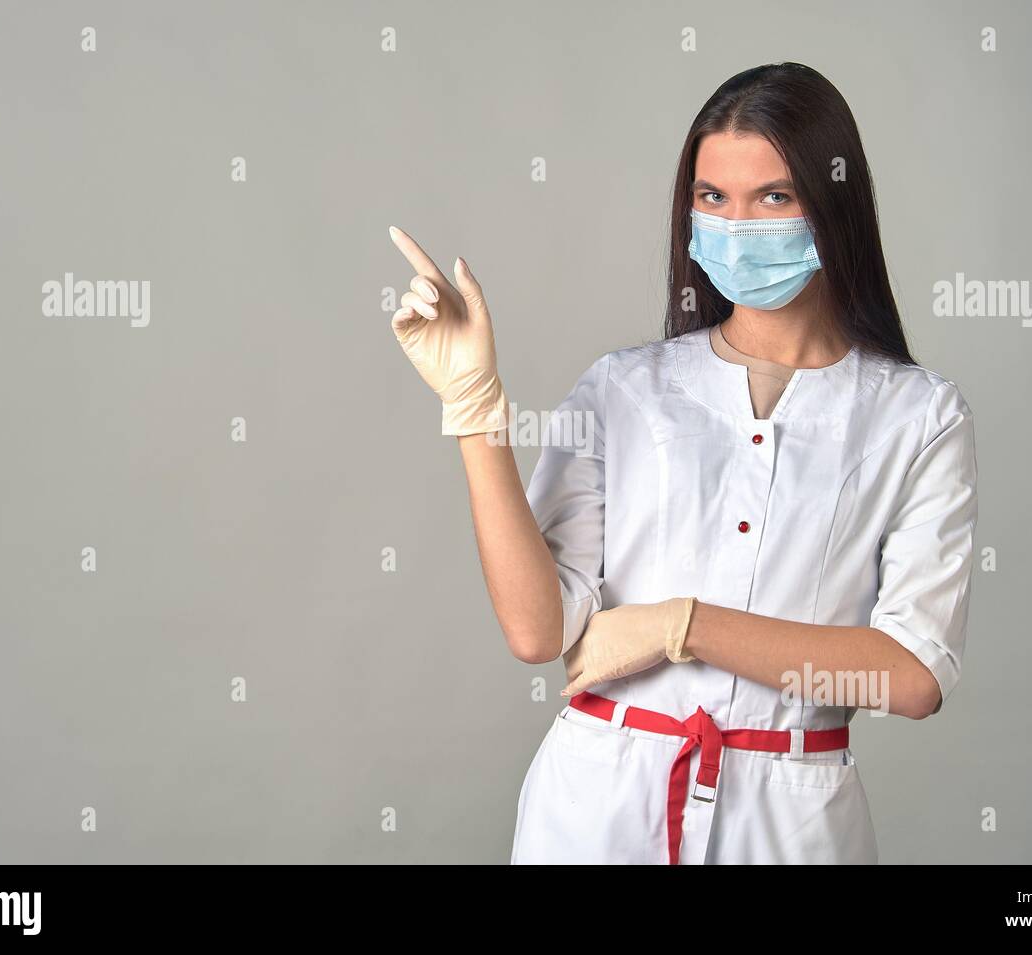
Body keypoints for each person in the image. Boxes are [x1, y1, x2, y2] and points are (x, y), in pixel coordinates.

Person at [387, 62, 978, 865]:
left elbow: (910, 677)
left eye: (774, 196)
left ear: (832, 204)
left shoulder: (918, 415)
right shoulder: (626, 388)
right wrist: (475, 406)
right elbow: (536, 629)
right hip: (595, 808)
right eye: (713, 198)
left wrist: (683, 625)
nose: (739, 223)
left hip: (791, 822)